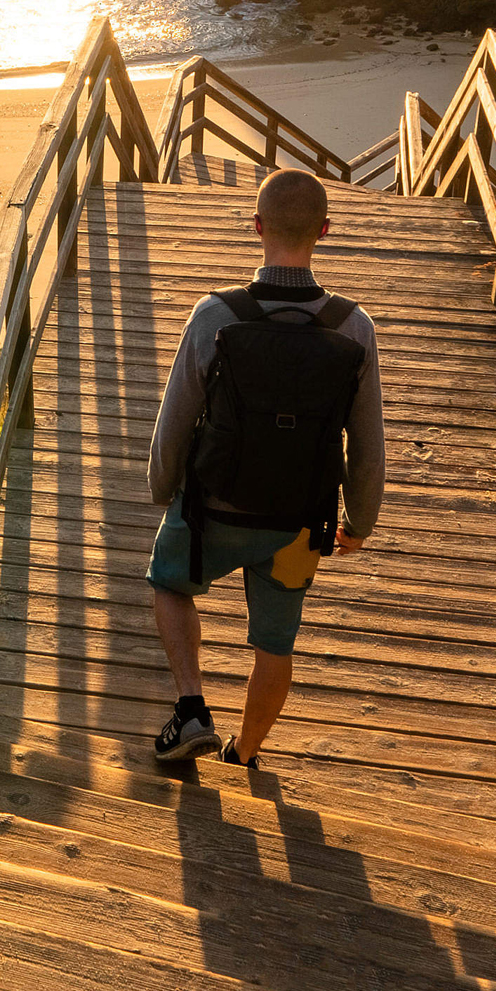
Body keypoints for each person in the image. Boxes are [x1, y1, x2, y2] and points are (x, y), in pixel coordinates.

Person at [146, 166, 384, 767]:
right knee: (275, 642)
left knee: (169, 584)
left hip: (213, 506)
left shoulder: (216, 316)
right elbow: (368, 440)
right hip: (299, 520)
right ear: (324, 231)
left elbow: (177, 416)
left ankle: (192, 708)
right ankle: (245, 752)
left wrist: (164, 486)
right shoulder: (353, 327)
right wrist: (359, 520)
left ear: (257, 227)